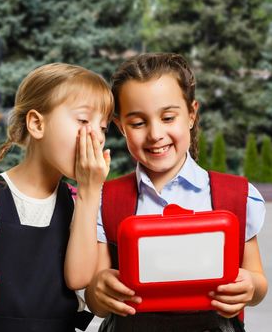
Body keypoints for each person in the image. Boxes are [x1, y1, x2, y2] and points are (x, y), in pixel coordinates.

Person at [85, 53, 268, 332]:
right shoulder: (106, 199)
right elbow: (97, 298)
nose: (155, 133)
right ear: (121, 127)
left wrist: (250, 286)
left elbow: (258, 282)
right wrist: (99, 290)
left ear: (192, 114)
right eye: (137, 123)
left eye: (168, 117)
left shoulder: (236, 196)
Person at [0, 63, 114, 332]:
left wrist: (89, 191)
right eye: (83, 121)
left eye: (103, 128)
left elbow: (79, 279)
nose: (96, 137)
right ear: (37, 124)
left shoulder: (83, 201)